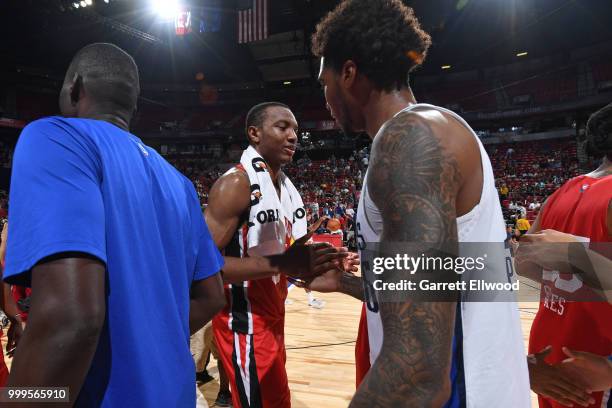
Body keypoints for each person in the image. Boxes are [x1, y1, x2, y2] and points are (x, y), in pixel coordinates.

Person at [307, 1, 530, 406]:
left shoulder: (410, 139)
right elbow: (462, 280)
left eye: (325, 82)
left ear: (350, 73)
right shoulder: (430, 131)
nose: (324, 97)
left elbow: (418, 375)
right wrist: (345, 282)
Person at [3, 43, 225, 406]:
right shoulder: (179, 183)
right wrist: (142, 341)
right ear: (132, 107)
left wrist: (20, 398)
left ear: (74, 88)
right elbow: (212, 295)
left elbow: (70, 318)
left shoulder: (56, 138)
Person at [205, 102, 348, 408]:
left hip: (273, 314)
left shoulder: (286, 188)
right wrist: (282, 263)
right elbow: (201, 266)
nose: (293, 135)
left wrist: (321, 262)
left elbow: (288, 257)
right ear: (254, 134)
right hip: (244, 321)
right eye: (282, 127)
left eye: (296, 129)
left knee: (278, 400)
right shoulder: (236, 184)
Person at [516, 102, 612, 408]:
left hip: (551, 351)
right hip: (595, 360)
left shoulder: (563, 190)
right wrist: (581, 260)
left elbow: (525, 262)